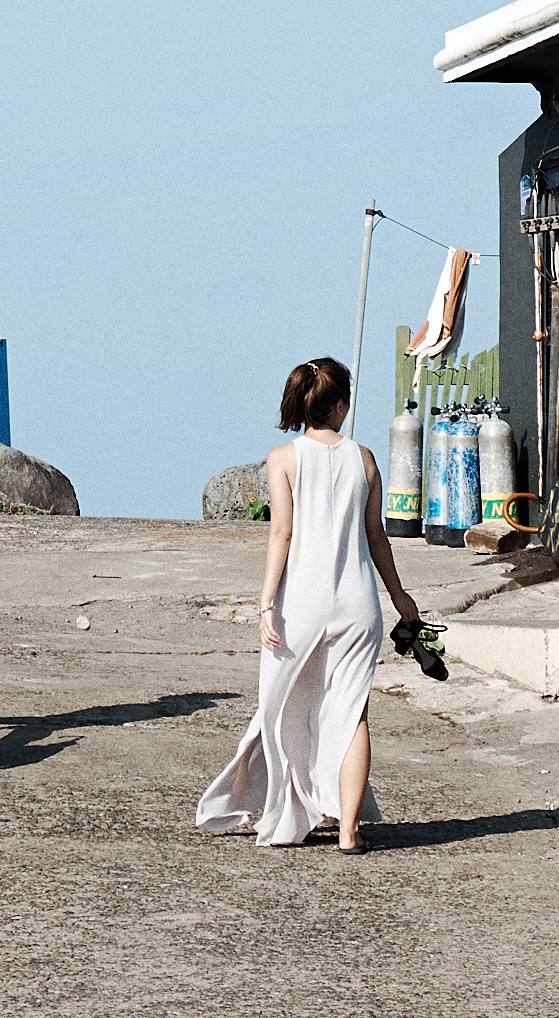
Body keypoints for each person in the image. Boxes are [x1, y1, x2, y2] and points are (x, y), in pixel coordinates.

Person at [196, 356, 421, 852]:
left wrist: (265, 602)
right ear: (341, 405)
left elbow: (282, 532)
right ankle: (348, 831)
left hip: (302, 602)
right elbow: (376, 536)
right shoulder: (364, 459)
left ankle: (283, 806)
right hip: (359, 603)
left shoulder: (283, 459)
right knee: (352, 713)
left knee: (278, 708)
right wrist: (400, 595)